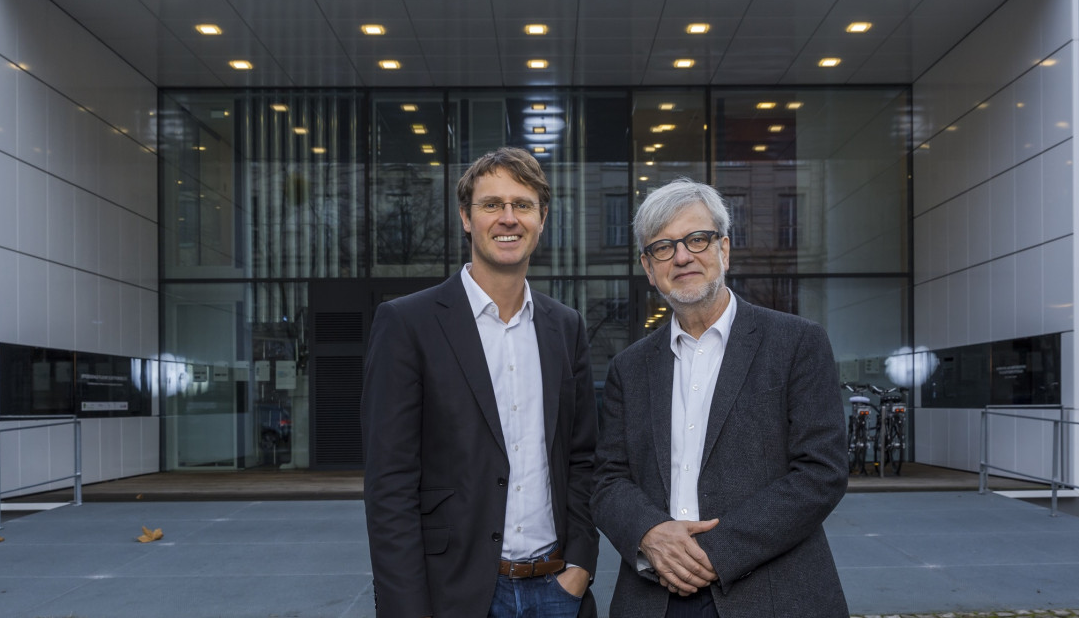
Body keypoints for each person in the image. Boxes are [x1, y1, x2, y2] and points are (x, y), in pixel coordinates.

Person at [592, 178, 849, 617]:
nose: (682, 256)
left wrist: (716, 551)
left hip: (770, 593)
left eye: (697, 239)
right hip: (654, 595)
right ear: (649, 268)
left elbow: (821, 472)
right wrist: (650, 532)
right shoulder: (629, 368)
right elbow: (607, 480)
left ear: (723, 250)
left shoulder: (796, 343)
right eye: (663, 247)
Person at [362, 147, 599, 618]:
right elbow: (389, 487)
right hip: (454, 595)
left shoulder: (565, 326)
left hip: (557, 590)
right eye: (492, 205)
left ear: (541, 218)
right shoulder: (407, 323)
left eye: (522, 205)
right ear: (466, 218)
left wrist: (581, 568)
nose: (508, 218)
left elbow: (583, 458)